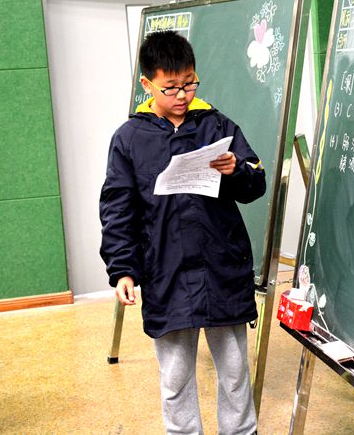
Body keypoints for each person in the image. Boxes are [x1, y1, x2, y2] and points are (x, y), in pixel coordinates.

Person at [99, 30, 265, 435]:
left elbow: (255, 184)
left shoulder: (217, 124)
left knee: (235, 373)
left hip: (221, 266)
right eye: (171, 87)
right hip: (166, 271)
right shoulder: (129, 138)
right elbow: (118, 209)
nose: (182, 95)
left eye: (190, 83)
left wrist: (236, 171)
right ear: (147, 84)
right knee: (175, 379)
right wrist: (123, 270)